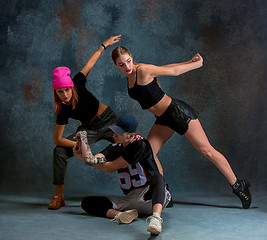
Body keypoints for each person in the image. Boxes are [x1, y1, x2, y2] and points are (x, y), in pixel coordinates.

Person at [111, 46, 251, 209]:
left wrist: (195, 64)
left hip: (178, 113)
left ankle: (238, 186)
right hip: (163, 118)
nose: (127, 66)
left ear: (131, 57)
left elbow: (174, 71)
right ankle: (162, 192)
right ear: (115, 65)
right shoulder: (131, 75)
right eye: (121, 65)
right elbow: (164, 69)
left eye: (128, 61)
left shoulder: (142, 70)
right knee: (148, 152)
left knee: (207, 151)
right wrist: (188, 61)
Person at [48, 35, 121, 210]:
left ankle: (151, 187)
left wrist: (104, 45)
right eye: (59, 92)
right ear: (55, 93)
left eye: (66, 90)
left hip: (108, 120)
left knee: (134, 144)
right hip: (89, 129)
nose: (65, 95)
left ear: (71, 87)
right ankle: (58, 196)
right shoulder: (62, 109)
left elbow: (89, 64)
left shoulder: (78, 83)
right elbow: (57, 139)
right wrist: (80, 143)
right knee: (59, 151)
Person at [74, 115, 171, 235]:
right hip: (132, 199)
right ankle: (120, 215)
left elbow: (111, 167)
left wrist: (85, 157)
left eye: (119, 133)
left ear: (131, 136)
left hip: (151, 196)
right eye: (114, 131)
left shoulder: (140, 144)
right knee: (88, 202)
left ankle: (156, 219)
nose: (114, 135)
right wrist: (83, 145)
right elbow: (92, 159)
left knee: (158, 178)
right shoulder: (115, 147)